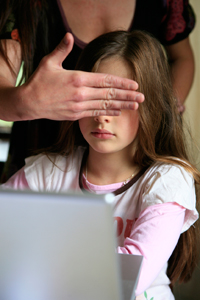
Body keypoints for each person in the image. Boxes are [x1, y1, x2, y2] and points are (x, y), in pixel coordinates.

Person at [2, 30, 199, 300]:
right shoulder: (47, 171)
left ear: (152, 105)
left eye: (120, 101)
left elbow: (127, 275)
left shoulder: (168, 181)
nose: (103, 115)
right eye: (94, 96)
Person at [0, 0, 196, 181]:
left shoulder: (165, 183)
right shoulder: (38, 175)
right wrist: (26, 101)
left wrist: (159, 111)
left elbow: (182, 58)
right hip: (40, 146)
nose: (102, 116)